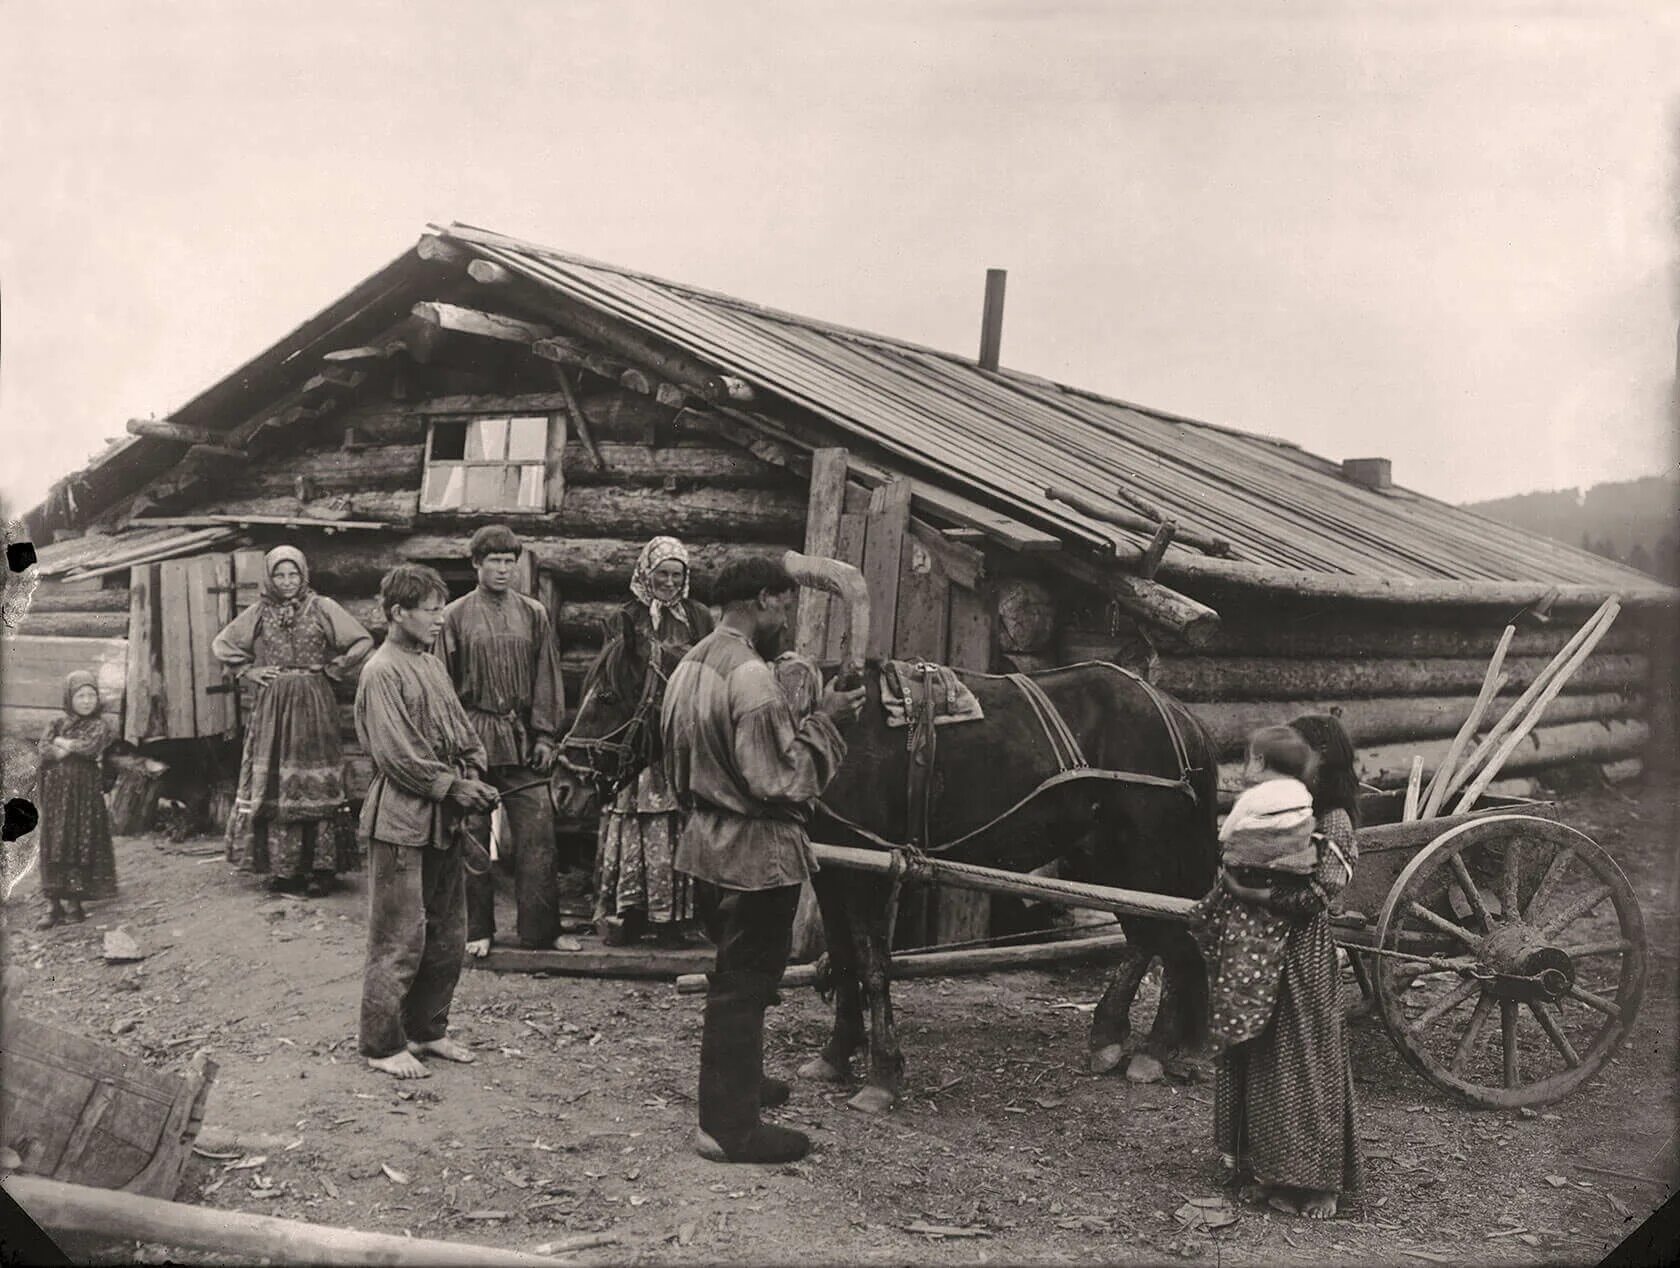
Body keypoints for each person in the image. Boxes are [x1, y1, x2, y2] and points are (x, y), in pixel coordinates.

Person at [660, 556, 866, 1165]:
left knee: (733, 975)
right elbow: (779, 779)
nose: (787, 620)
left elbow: (678, 762)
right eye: (785, 606)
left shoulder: (693, 662)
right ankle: (729, 1128)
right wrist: (826, 722)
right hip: (756, 852)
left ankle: (739, 1086)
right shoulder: (752, 676)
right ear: (763, 600)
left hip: (707, 840)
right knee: (746, 985)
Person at [1197, 715, 1364, 1220]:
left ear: (1322, 758)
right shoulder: (1281, 809)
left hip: (1298, 952)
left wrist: (1253, 892)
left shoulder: (1332, 819)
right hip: (1255, 947)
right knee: (1257, 1054)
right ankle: (1269, 1171)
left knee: (1301, 1059)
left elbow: (1318, 892)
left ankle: (1318, 1184)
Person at [356, 565, 500, 1080]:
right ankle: (381, 1043)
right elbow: (398, 756)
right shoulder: (382, 671)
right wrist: (452, 786)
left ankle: (427, 1030)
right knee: (399, 937)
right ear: (398, 613)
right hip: (401, 821)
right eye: (430, 609)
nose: (440, 618)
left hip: (446, 821)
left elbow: (461, 730)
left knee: (447, 936)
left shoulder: (431, 665)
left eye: (442, 607)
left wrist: (474, 766)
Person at [212, 546, 373, 897]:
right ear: (270, 577)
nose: (287, 582)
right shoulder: (259, 611)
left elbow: (362, 640)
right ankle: (283, 870)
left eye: (293, 575)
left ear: (303, 576)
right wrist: (248, 670)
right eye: (280, 575)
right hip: (274, 704)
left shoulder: (323, 607)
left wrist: (334, 668)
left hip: (315, 700)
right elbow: (222, 644)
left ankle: (321, 868)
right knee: (276, 780)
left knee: (314, 779)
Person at [436, 525, 566, 955]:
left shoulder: (534, 614)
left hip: (522, 737)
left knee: (538, 833)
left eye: (510, 561)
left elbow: (547, 675)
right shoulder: (454, 616)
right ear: (476, 564)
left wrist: (545, 735)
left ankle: (539, 931)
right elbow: (441, 686)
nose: (503, 569)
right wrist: (454, 747)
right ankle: (477, 932)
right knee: (472, 837)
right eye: (494, 561)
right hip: (472, 735)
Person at [592, 535, 715, 947]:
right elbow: (613, 674)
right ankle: (629, 913)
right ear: (647, 573)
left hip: (680, 733)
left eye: (676, 575)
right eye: (661, 573)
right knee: (630, 819)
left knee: (674, 819)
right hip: (637, 734)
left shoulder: (698, 617)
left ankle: (674, 917)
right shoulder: (625, 617)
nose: (668, 581)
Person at [34, 671, 117, 927]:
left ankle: (75, 901)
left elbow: (90, 747)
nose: (86, 701)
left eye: (91, 695)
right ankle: (53, 903)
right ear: (69, 698)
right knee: (55, 840)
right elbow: (44, 749)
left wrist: (63, 744)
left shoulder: (100, 725)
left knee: (78, 838)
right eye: (80, 695)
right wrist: (63, 746)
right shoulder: (57, 722)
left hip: (85, 793)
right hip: (57, 792)